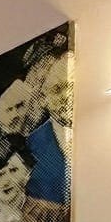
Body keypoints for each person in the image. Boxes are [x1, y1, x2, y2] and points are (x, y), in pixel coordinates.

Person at [26, 52, 74, 205]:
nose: (66, 96)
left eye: (71, 86)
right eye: (57, 89)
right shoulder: (29, 146)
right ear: (43, 98)